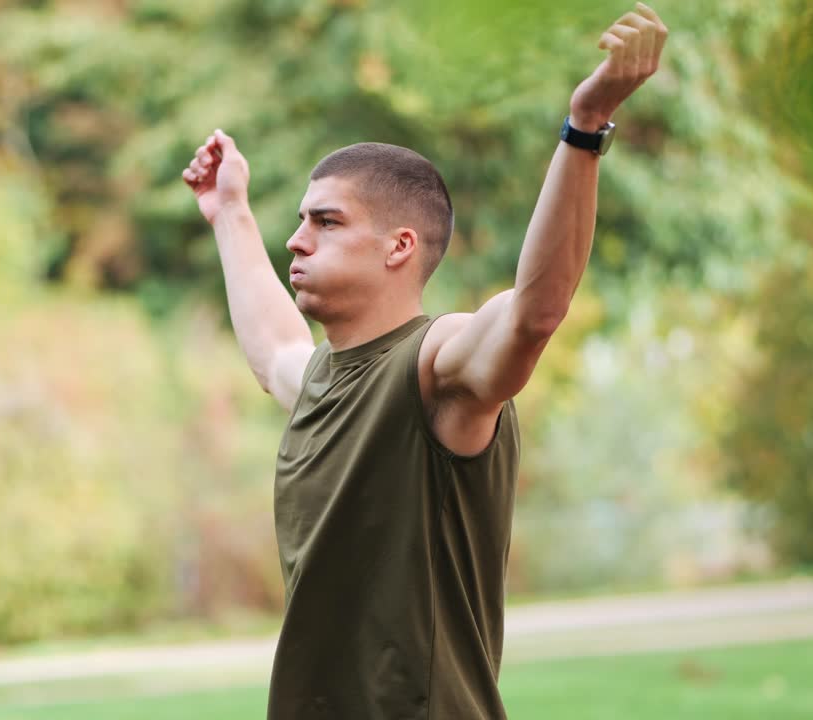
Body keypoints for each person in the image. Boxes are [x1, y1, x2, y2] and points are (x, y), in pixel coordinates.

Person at [181, 4, 668, 717]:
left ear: (399, 246)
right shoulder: (320, 381)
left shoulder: (436, 364)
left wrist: (585, 127)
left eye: (326, 222)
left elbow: (535, 314)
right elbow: (274, 351)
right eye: (297, 221)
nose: (298, 241)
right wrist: (231, 213)